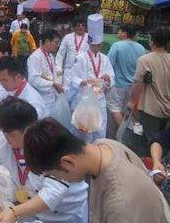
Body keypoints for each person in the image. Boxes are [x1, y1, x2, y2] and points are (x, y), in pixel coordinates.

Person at [24, 118, 170, 223]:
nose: (64, 181)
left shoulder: (120, 203)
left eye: (55, 175)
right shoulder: (104, 145)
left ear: (68, 161)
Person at [129, 26, 170, 156]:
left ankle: (147, 164)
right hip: (167, 110)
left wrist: (131, 102)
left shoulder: (145, 59)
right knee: (160, 138)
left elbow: (137, 84)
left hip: (147, 109)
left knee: (143, 136)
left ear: (152, 42)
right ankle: (155, 160)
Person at [70, 14, 114, 142]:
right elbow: (73, 76)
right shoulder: (80, 58)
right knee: (86, 130)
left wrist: (108, 79)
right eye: (93, 45)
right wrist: (82, 81)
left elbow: (111, 76)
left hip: (100, 98)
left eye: (98, 45)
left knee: (100, 128)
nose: (96, 48)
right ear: (89, 44)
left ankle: (100, 150)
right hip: (85, 97)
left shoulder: (105, 59)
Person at [107, 24, 146, 129]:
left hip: (118, 85)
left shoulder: (117, 45)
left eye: (119, 31)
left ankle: (122, 134)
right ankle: (132, 132)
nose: (118, 33)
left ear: (124, 33)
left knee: (115, 109)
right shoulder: (141, 48)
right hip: (134, 86)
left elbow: (108, 64)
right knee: (129, 109)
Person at [28, 30, 64, 116]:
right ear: (47, 41)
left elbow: (49, 74)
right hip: (41, 99)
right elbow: (34, 80)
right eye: (56, 42)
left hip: (51, 98)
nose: (57, 45)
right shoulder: (35, 57)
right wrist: (53, 84)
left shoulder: (50, 56)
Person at [55, 18, 89, 89]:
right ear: (74, 27)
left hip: (83, 71)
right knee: (67, 92)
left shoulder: (89, 38)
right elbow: (61, 54)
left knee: (81, 94)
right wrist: (58, 68)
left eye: (83, 25)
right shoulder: (67, 37)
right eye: (78, 25)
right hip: (69, 70)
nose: (81, 27)